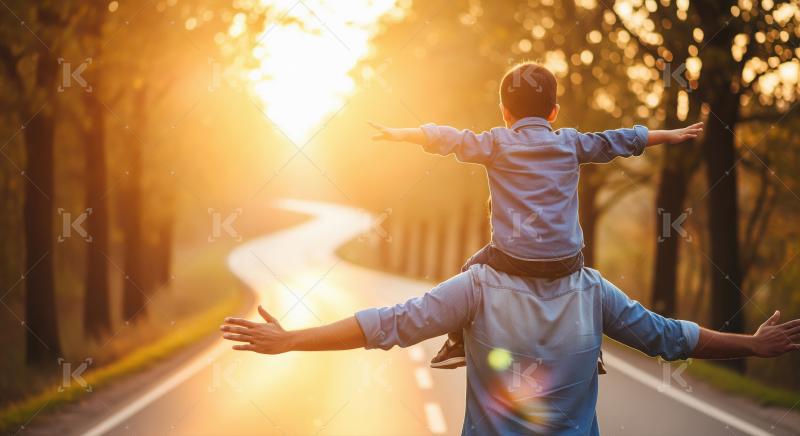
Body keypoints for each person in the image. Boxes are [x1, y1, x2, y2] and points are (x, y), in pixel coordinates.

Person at [368, 62, 704, 369]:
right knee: (585, 288)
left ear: (505, 112)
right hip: (565, 262)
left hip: (513, 259)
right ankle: (593, 348)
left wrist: (405, 134)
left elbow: (452, 139)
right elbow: (616, 141)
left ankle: (457, 343)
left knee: (470, 267)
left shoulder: (496, 143)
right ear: (554, 112)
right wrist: (666, 135)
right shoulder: (571, 144)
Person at [220, 267, 800, 435]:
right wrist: (751, 345)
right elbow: (667, 337)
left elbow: (389, 324)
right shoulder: (592, 291)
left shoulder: (475, 286)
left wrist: (293, 339)